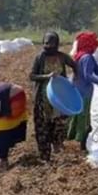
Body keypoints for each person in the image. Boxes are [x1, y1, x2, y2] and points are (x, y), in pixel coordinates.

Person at [29, 31, 76, 161]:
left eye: (51, 43)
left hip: (59, 97)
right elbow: (32, 76)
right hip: (42, 99)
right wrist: (46, 77)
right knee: (42, 127)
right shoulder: (40, 58)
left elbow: (75, 66)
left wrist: (73, 81)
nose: (48, 46)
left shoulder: (62, 57)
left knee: (59, 124)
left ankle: (57, 144)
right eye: (46, 43)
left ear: (57, 44)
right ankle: (45, 156)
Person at [67, 32, 98, 149]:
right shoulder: (88, 58)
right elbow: (88, 75)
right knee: (85, 118)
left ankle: (75, 137)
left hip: (76, 89)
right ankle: (83, 142)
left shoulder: (80, 56)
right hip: (84, 91)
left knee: (78, 115)